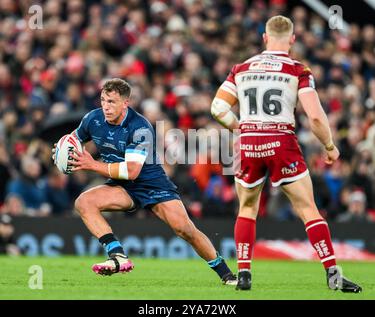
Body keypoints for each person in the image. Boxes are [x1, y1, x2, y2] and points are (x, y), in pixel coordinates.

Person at [211, 15, 362, 292]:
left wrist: (241, 128)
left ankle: (244, 274)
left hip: (250, 143)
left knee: (246, 209)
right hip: (281, 140)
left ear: (265, 37)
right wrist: (330, 146)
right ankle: (333, 275)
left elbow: (217, 109)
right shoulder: (297, 69)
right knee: (308, 209)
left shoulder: (241, 68)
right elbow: (315, 117)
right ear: (292, 39)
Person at [52, 78, 237, 285]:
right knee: (83, 202)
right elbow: (74, 139)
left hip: (151, 184)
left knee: (185, 229)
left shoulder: (139, 127)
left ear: (125, 103)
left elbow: (131, 171)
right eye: (103, 100)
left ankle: (226, 274)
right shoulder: (92, 119)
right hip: (122, 186)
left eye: (112, 102)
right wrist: (65, 151)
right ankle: (118, 256)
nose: (106, 106)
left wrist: (91, 164)